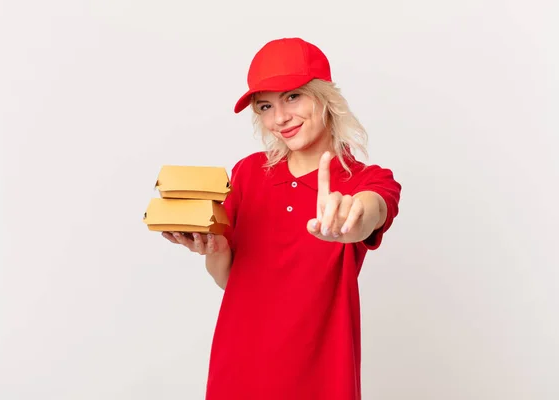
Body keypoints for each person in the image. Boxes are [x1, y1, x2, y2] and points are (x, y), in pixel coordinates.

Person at [162, 37, 402, 400]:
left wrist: (354, 216)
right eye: (265, 106)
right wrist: (216, 247)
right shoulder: (248, 173)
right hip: (239, 365)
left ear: (324, 96)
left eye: (293, 96)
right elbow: (228, 278)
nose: (280, 118)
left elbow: (374, 209)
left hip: (320, 372)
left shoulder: (367, 180)